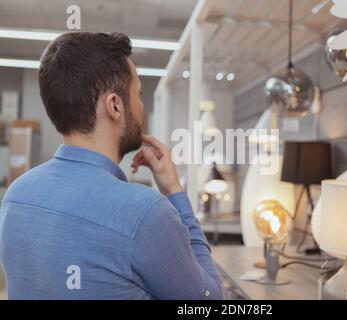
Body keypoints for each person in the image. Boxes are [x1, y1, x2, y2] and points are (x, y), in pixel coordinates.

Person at [0, 32, 223, 300]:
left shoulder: (17, 194)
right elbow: (208, 300)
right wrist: (175, 191)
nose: (141, 108)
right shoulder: (145, 212)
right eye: (138, 95)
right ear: (115, 106)